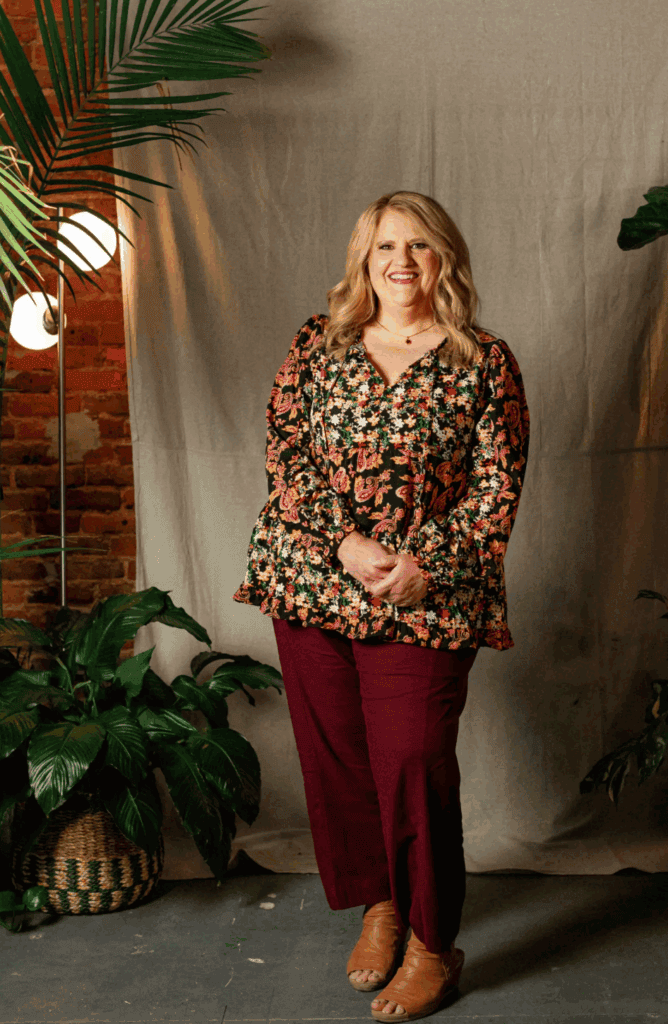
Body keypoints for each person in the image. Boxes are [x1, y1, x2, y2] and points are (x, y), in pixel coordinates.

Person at [233, 191, 530, 1021]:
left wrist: (424, 564)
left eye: (420, 246)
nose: (402, 261)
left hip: (425, 596)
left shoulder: (484, 362)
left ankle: (434, 942)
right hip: (314, 579)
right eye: (385, 247)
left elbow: (495, 487)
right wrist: (343, 544)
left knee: (412, 762)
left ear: (445, 260)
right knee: (341, 761)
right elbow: (286, 461)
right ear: (363, 260)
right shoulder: (316, 347)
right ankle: (379, 906)